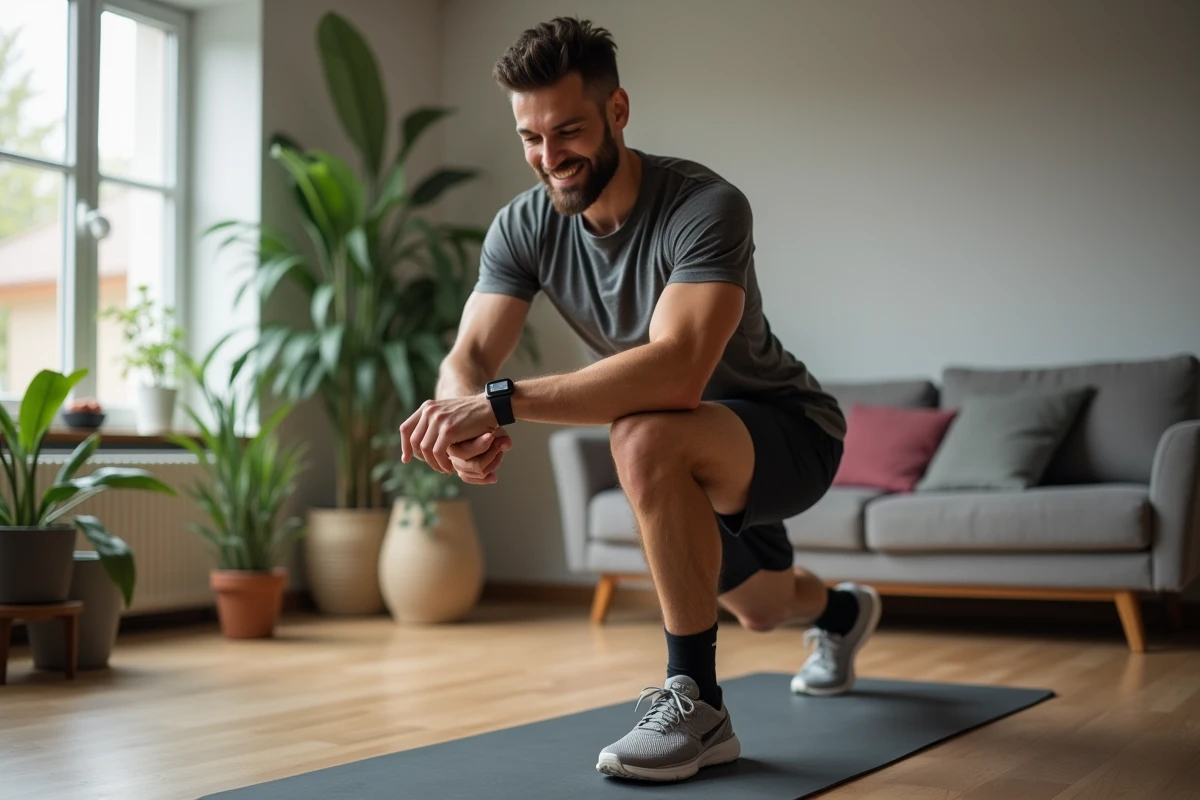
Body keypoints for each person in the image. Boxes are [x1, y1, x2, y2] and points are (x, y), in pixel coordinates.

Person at [397, 16, 882, 783]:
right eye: (530, 138)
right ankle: (844, 614)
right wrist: (463, 423)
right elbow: (469, 355)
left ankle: (699, 704)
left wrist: (495, 404)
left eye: (569, 131)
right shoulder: (522, 228)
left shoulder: (705, 206)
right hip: (699, 452)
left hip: (787, 432)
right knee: (760, 606)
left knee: (642, 434)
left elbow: (677, 370)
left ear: (618, 112)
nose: (550, 159)